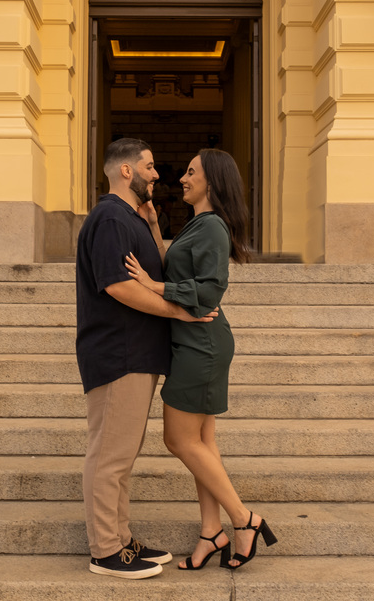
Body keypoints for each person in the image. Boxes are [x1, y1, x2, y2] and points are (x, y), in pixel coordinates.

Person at [124, 148, 277, 571]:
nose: (183, 178)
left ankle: (245, 519)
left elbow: (208, 292)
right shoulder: (200, 225)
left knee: (179, 439)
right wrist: (155, 228)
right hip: (194, 342)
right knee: (202, 443)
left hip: (201, 345)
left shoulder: (212, 229)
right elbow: (176, 271)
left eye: (191, 173)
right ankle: (211, 532)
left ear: (212, 181)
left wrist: (154, 288)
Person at [75, 137, 218, 580]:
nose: (158, 175)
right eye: (151, 167)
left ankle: (120, 540)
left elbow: (157, 272)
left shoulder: (131, 217)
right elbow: (120, 286)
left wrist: (154, 227)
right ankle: (105, 549)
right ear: (126, 171)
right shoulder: (110, 218)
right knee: (110, 456)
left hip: (135, 353)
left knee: (121, 455)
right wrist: (182, 312)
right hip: (120, 353)